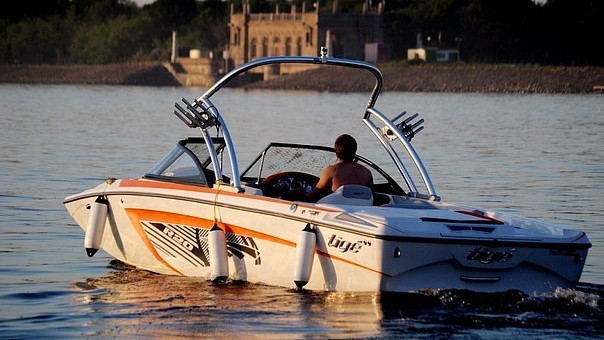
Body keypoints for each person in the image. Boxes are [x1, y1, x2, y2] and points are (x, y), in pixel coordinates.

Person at [302, 134, 373, 202]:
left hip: (338, 209)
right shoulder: (367, 172)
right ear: (355, 151)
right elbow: (372, 194)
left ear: (336, 151)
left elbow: (311, 196)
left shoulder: (331, 171)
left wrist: (298, 192)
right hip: (362, 209)